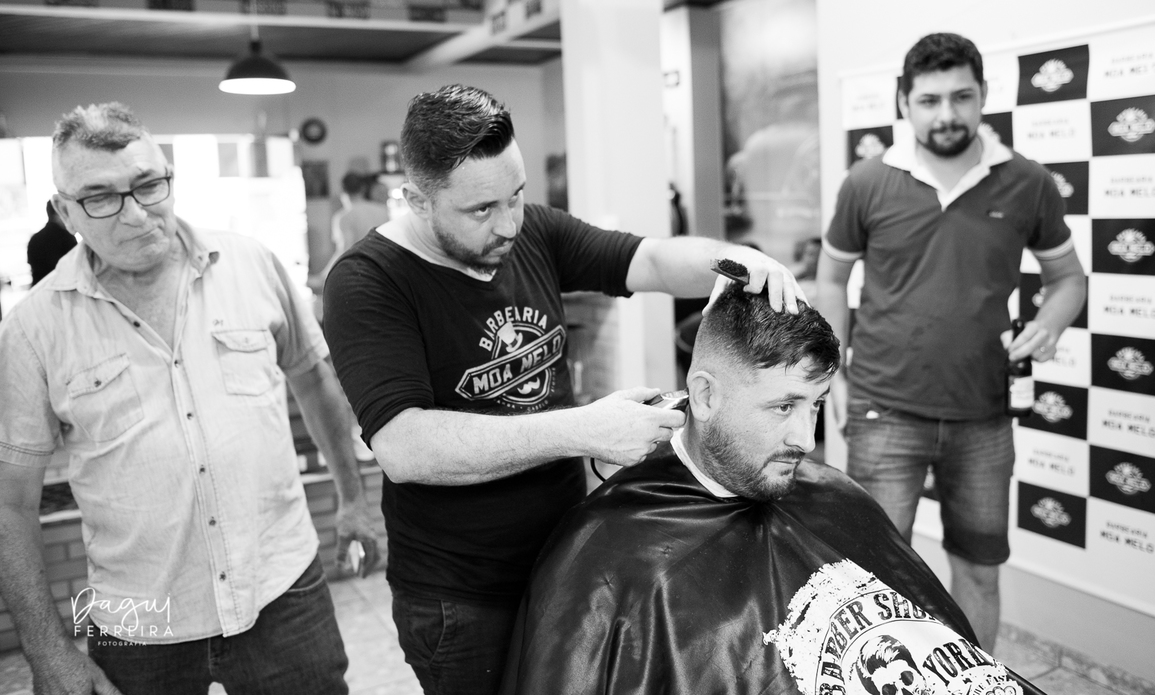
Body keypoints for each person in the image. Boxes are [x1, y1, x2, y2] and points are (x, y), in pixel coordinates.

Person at [322, 83, 806, 695]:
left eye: (517, 195)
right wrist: (583, 429)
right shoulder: (368, 283)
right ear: (417, 199)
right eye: (481, 210)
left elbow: (652, 260)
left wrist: (735, 259)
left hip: (562, 559)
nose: (509, 225)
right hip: (462, 598)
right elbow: (405, 446)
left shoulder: (535, 233)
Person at [0, 103, 380, 695]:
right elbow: (12, 503)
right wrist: (48, 652)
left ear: (169, 178)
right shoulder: (32, 329)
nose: (135, 214)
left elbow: (314, 381)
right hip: (138, 618)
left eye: (148, 185)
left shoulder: (251, 264)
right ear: (64, 211)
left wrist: (354, 499)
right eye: (100, 198)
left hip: (281, 587)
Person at [498, 289, 1046, 695]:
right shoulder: (605, 554)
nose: (806, 440)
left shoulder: (833, 493)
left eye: (815, 405)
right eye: (783, 406)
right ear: (704, 396)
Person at [814, 33, 1087, 652]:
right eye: (929, 100)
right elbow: (831, 279)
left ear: (983, 94)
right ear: (903, 103)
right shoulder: (867, 181)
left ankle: (975, 684)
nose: (947, 114)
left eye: (962, 97)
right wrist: (835, 373)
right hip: (884, 411)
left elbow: (1068, 279)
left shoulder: (1028, 182)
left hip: (984, 415)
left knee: (980, 571)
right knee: (876, 577)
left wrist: (1050, 323)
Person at [27, 198, 77, 284]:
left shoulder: (35, 238)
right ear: (59, 213)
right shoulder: (67, 238)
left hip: (40, 287)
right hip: (62, 287)